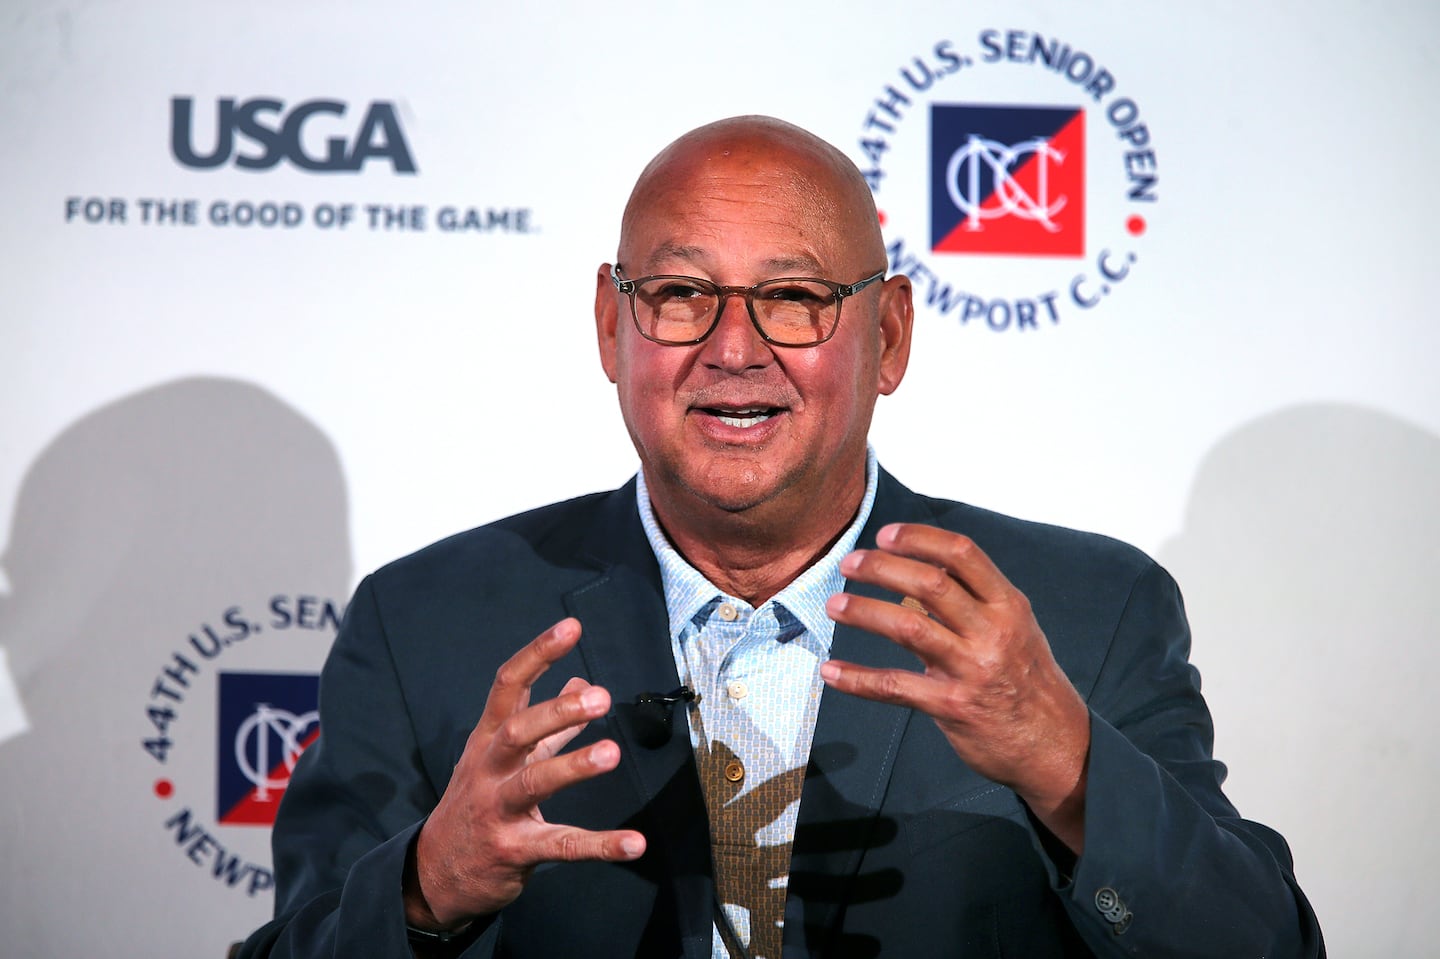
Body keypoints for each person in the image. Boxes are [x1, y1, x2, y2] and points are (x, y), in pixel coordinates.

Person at [239, 116, 1324, 958]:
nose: (734, 348)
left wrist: (1073, 769)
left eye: (797, 298)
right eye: (679, 294)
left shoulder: (1083, 614)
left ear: (888, 333)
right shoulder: (424, 620)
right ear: (612, 327)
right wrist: (426, 886)